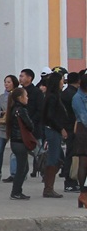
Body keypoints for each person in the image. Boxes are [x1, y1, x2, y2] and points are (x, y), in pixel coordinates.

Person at [40, 68, 70, 197]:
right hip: (53, 131)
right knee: (53, 158)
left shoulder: (54, 96)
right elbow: (50, 117)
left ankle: (49, 186)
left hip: (54, 130)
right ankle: (48, 188)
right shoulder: (52, 98)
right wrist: (61, 128)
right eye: (62, 80)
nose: (63, 82)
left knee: (57, 158)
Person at [5, 82, 36, 200]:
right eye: (26, 96)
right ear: (20, 98)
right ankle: (16, 192)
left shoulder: (13, 109)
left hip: (16, 141)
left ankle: (17, 191)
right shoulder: (21, 110)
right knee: (21, 169)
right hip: (20, 142)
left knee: (24, 168)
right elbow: (30, 125)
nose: (27, 98)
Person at [0, 74, 17, 181]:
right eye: (5, 82)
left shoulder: (17, 95)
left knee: (15, 151)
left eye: (9, 82)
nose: (6, 84)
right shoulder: (2, 97)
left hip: (13, 126)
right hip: (3, 126)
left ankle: (15, 173)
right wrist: (2, 113)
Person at [70, 75, 87, 208]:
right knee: (83, 162)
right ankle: (83, 193)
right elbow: (83, 117)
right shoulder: (78, 98)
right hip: (83, 131)